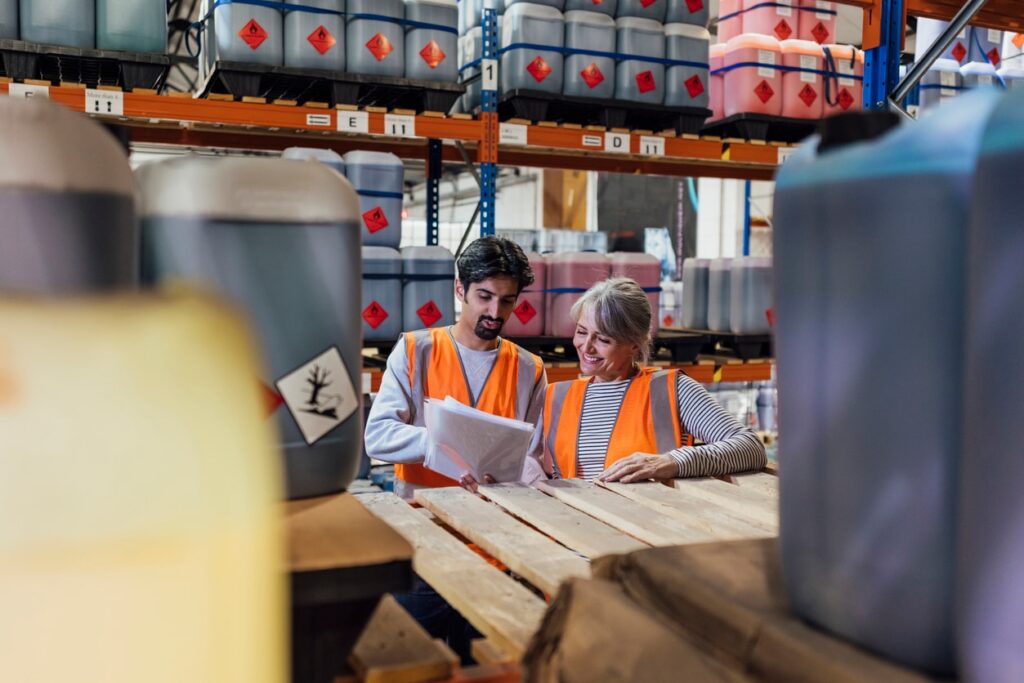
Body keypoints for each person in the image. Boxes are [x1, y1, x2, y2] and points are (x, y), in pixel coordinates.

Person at [364, 235, 548, 663]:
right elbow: (379, 435)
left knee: (490, 668)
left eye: (507, 301)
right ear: (460, 289)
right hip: (425, 547)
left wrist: (515, 476)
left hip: (496, 550)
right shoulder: (415, 350)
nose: (495, 312)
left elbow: (534, 457)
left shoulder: (529, 369)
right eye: (484, 297)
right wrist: (441, 447)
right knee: (410, 668)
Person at [544, 277, 766, 483]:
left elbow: (751, 447)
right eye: (582, 332)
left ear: (634, 344)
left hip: (650, 520)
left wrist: (673, 461)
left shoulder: (670, 389)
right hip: (577, 520)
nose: (587, 346)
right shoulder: (557, 396)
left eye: (603, 339)